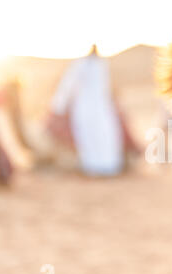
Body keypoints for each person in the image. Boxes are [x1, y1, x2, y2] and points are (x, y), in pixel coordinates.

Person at [51, 44, 124, 176]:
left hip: (100, 107)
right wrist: (58, 106)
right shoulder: (82, 64)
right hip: (87, 107)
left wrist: (58, 106)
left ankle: (107, 166)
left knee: (104, 135)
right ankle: (93, 166)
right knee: (89, 137)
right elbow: (68, 85)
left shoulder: (101, 64)